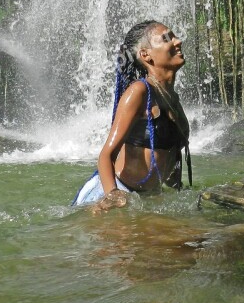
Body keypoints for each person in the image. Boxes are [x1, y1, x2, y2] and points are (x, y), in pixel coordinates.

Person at [72, 21, 191, 211]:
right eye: (167, 38)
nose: (178, 41)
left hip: (145, 198)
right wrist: (112, 195)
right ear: (146, 55)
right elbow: (105, 155)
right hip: (114, 195)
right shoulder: (139, 92)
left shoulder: (171, 97)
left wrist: (179, 192)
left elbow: (170, 155)